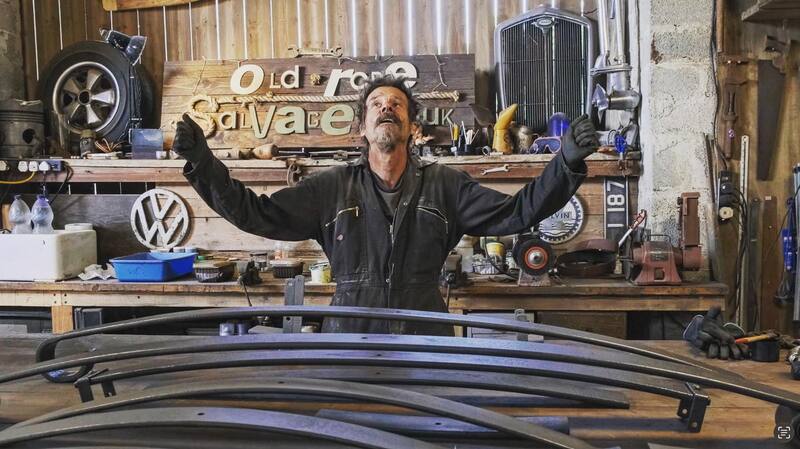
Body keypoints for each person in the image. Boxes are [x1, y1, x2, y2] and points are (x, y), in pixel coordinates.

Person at [172, 75, 599, 335]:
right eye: (376, 104)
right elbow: (256, 213)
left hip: (425, 334)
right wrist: (203, 163)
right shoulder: (331, 189)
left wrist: (566, 163)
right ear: (362, 128)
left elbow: (517, 212)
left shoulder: (446, 185)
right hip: (349, 337)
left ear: (413, 127)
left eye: (396, 104)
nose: (386, 109)